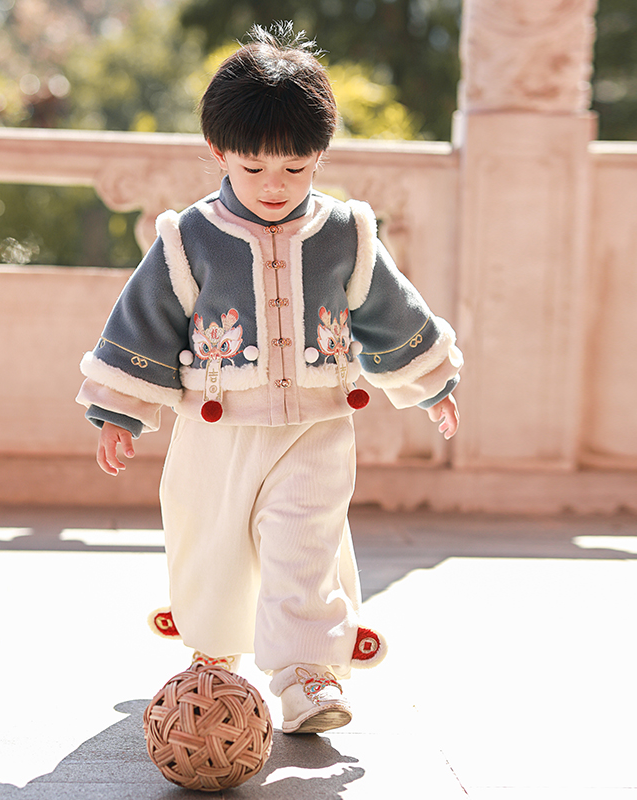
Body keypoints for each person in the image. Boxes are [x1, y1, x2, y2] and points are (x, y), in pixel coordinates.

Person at [76, 22, 462, 734]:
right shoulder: (187, 238)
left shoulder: (348, 232)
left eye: (296, 168)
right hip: (217, 432)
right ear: (219, 153)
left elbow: (390, 311)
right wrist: (118, 411)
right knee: (213, 546)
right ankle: (213, 662)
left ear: (320, 155)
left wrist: (431, 382)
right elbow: (143, 323)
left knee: (303, 541)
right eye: (254, 169)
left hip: (318, 426)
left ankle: (306, 676)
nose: (275, 185)